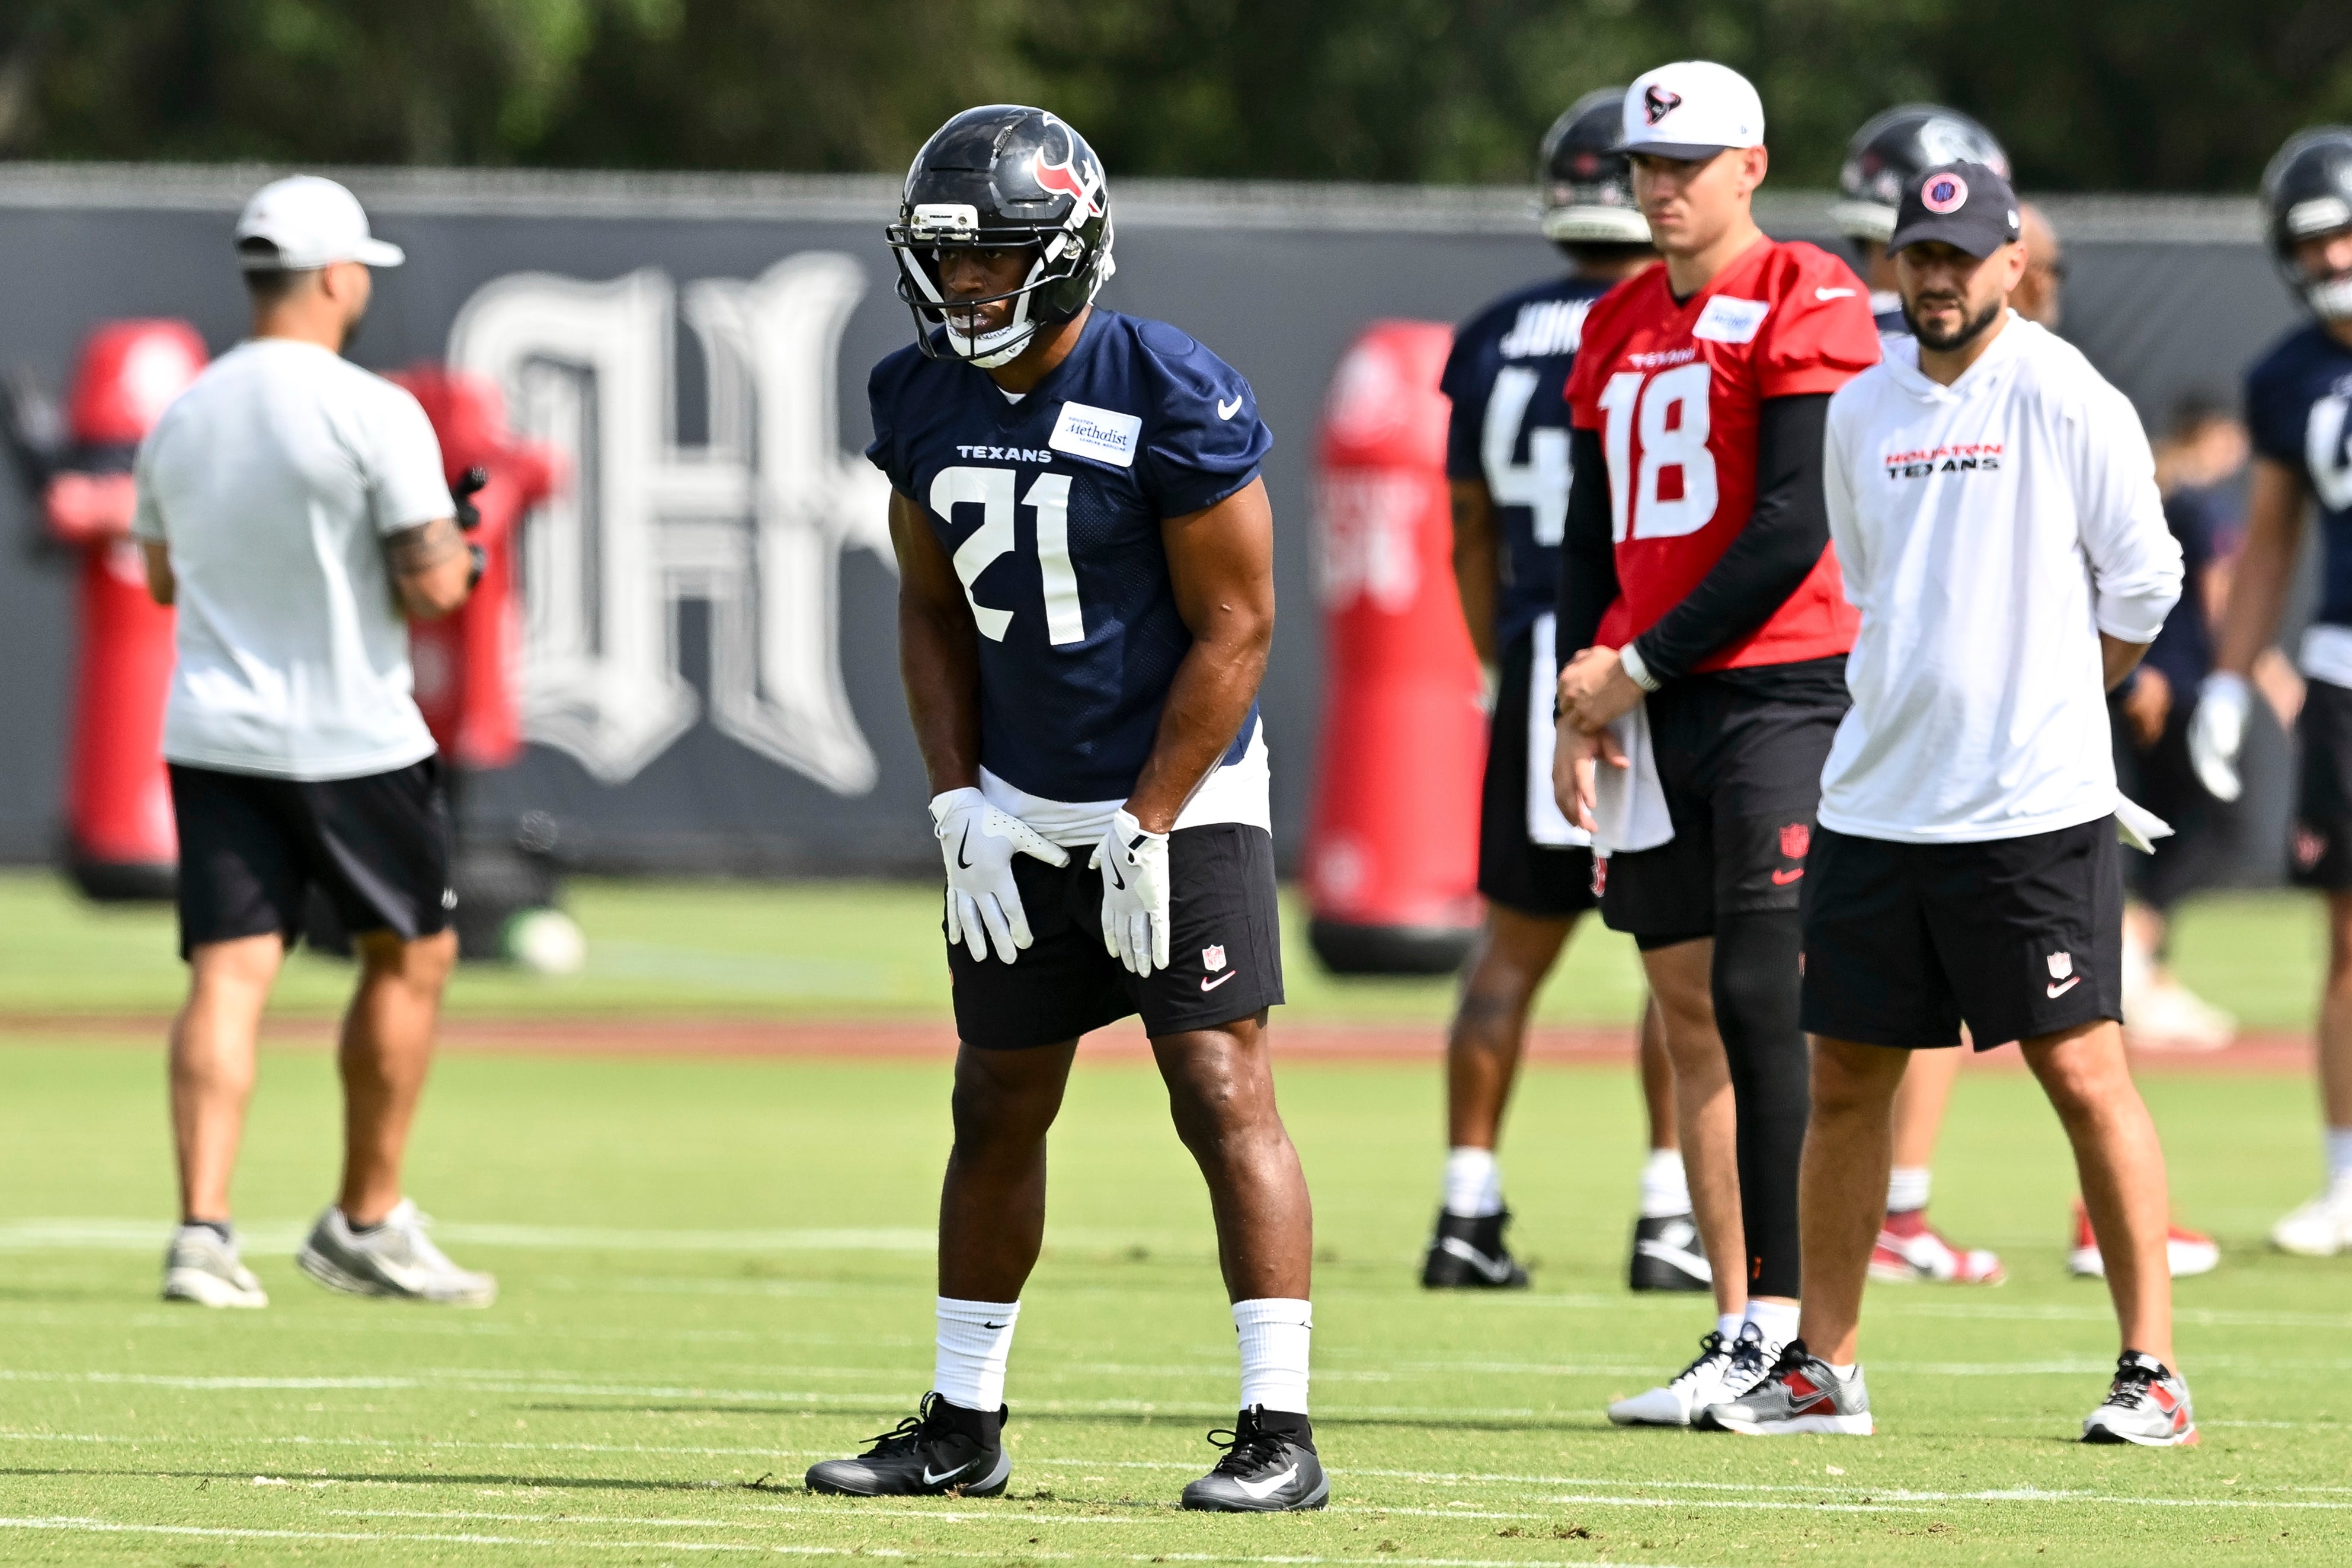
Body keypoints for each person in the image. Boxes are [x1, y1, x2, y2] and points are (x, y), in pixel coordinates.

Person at [802, 107, 1322, 1512]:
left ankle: (1281, 1426)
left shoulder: (1169, 386)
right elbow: (929, 609)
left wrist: (1151, 818)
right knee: (996, 1094)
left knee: (1219, 1088)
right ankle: (962, 1422)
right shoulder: (915, 397)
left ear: (1073, 249)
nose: (965, 289)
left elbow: (1239, 626)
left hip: (1184, 790)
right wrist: (955, 798)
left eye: (996, 261)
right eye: (948, 263)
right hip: (1020, 802)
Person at [1701, 161, 2193, 1443]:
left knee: (2083, 1073)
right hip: (1877, 803)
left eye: (1960, 255)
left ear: (2009, 268)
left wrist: (2056, 697)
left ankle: (2151, 1374)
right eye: (1915, 253)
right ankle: (1824, 1368)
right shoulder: (1861, 411)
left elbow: (2142, 586)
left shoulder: (2064, 394)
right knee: (1848, 1079)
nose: (1933, 276)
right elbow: (1874, 588)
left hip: (2030, 806)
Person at [1551, 60, 1882, 1428]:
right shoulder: (1618, 317)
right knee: (1685, 1015)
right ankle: (1740, 1323)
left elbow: (1793, 524)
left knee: (1762, 994)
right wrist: (1575, 701)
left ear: (1751, 162)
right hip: (1647, 697)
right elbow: (1588, 536)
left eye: (1687, 163)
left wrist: (1634, 666)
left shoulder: (1808, 291)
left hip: (1778, 686)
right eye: (1645, 163)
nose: (1661, 187)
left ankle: (1806, 1337)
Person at [136, 175, 495, 1310]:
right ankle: (368, 1217)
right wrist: (464, 550)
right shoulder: (373, 408)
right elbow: (435, 583)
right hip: (352, 736)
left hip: (215, 731)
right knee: (412, 958)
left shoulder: (183, 409)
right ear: (337, 277)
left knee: (229, 973)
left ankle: (202, 1231)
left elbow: (156, 575)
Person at [1422, 87, 1704, 1297]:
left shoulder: (1489, 333)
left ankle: (1463, 1208)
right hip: (1649, 653)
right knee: (1679, 951)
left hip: (1541, 652)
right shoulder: (1673, 322)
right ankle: (1666, 1213)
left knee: (1509, 951)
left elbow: (1468, 533)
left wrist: (1505, 664)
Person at [1827, 104, 2017, 1288]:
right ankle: (1879, 1213)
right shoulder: (1863, 364)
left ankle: (1681, 1210)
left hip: (1891, 697)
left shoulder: (2024, 371)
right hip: (1853, 696)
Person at [2193, 126, 2352, 1258]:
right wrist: (2225, 681)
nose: (2333, 253)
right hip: (2345, 670)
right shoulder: (2286, 376)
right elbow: (2267, 545)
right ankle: (2346, 1178)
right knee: (2347, 943)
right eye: (2312, 238)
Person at [2113, 397, 2251, 1052]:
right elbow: (2223, 598)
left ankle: (2149, 974)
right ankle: (2136, 947)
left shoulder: (2148, 495)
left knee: (2157, 827)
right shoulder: (2194, 505)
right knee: (2207, 827)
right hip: (2184, 689)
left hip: (2137, 685)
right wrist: (2262, 676)